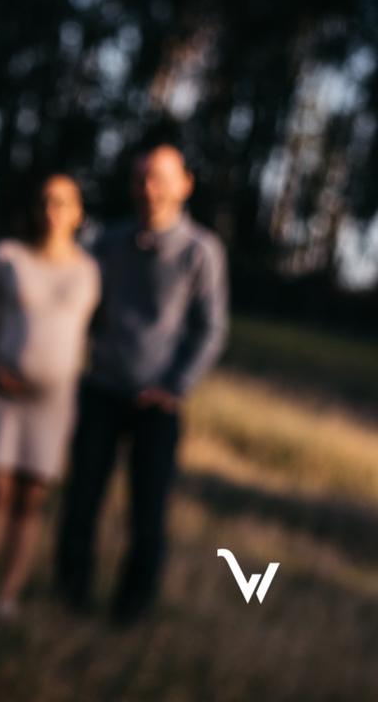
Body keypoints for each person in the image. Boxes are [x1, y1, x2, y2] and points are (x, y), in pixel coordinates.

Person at [55, 144, 228, 623]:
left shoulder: (201, 252)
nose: (149, 189)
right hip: (101, 391)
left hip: (158, 404)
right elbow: (80, 307)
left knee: (147, 517)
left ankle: (130, 614)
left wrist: (175, 386)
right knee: (81, 503)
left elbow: (210, 329)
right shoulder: (108, 242)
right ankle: (68, 598)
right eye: (140, 179)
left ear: (184, 185)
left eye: (159, 179)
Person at [0, 173, 101, 617]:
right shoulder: (7, 256)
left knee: (29, 499)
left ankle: (8, 596)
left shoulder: (89, 270)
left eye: (63, 202)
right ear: (34, 209)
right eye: (45, 200)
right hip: (2, 393)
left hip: (53, 403)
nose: (53, 209)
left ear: (78, 213)